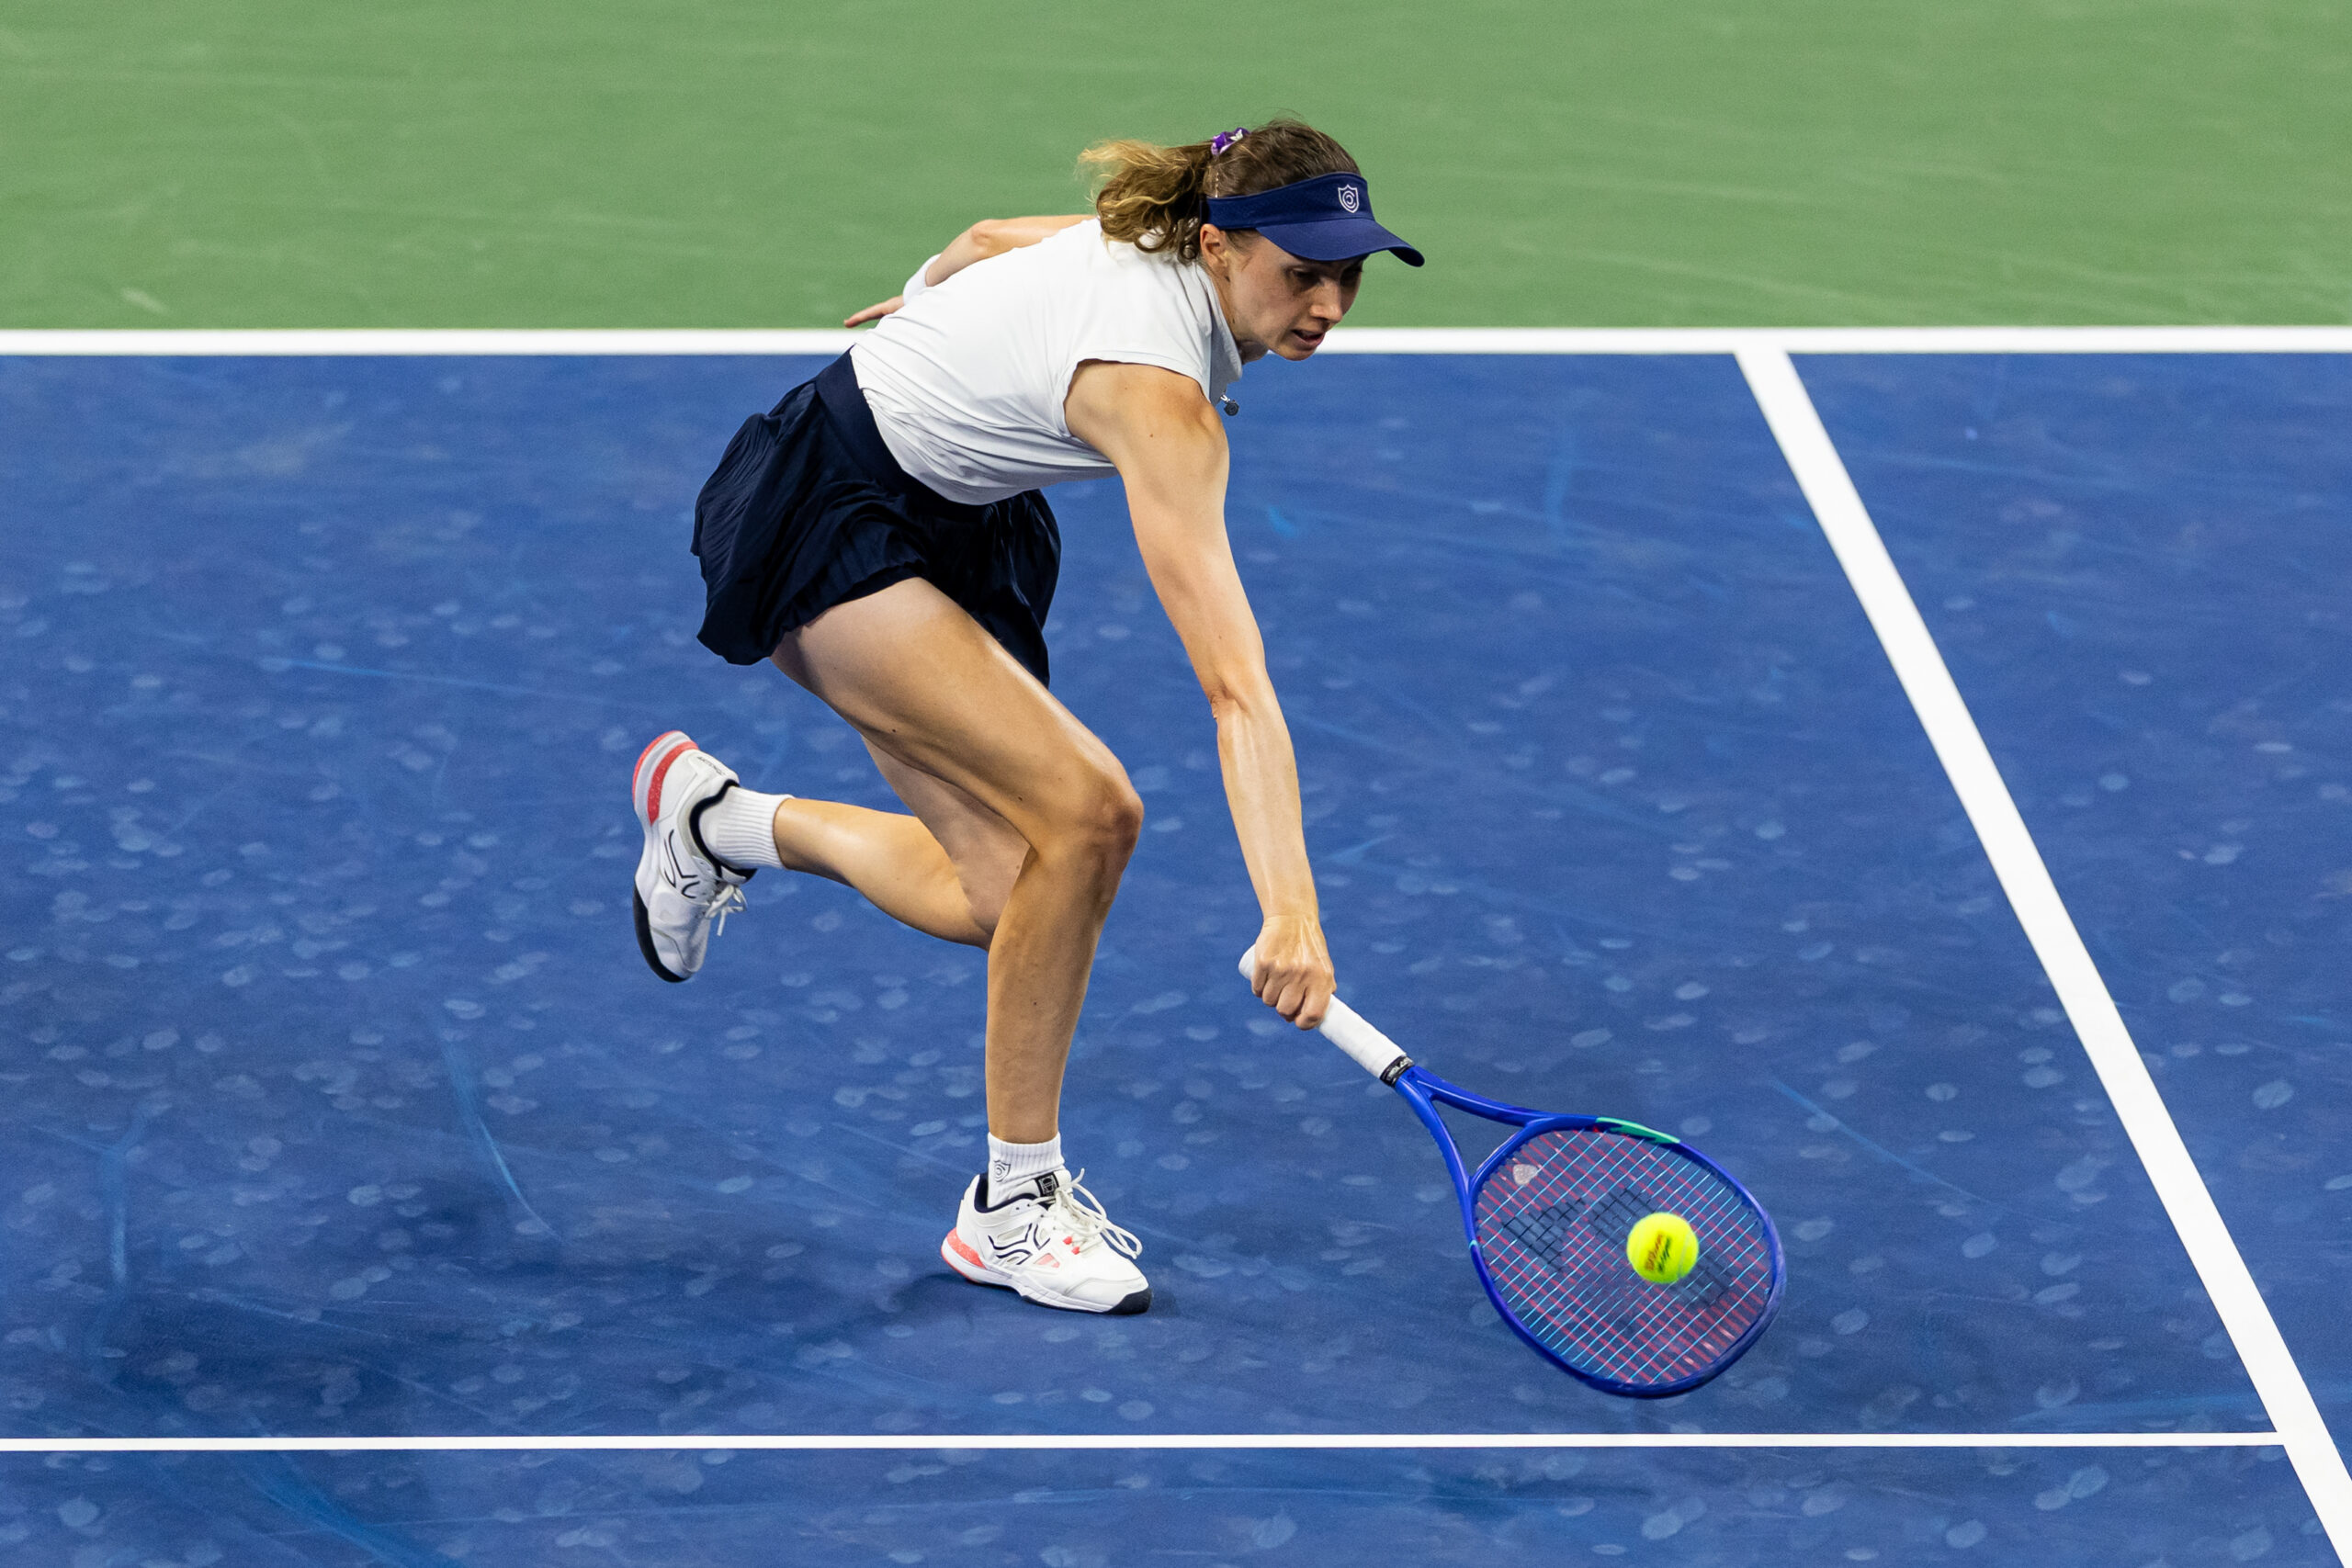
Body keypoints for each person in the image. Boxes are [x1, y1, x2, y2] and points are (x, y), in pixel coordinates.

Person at [630, 119, 1422, 1315]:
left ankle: (720, 822)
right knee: (1090, 813)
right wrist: (1291, 913)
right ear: (1219, 246)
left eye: (1347, 274)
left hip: (959, 518)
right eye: (1299, 273)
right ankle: (1013, 1203)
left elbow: (981, 242)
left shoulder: (1151, 235)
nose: (1328, 305)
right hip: (831, 516)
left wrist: (923, 320)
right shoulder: (1161, 403)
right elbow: (1234, 687)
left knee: (1009, 899)